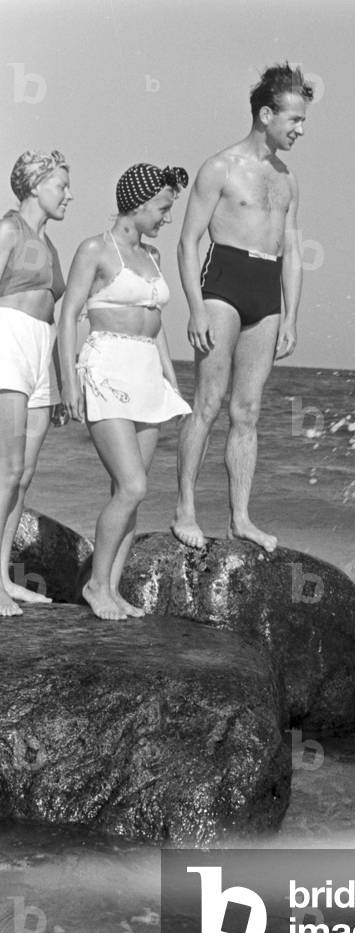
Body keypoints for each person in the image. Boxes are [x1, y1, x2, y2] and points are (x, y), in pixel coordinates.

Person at [172, 62, 314, 553]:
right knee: (208, 402)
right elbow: (188, 242)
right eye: (293, 120)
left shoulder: (287, 178)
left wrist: (291, 316)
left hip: (266, 288)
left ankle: (240, 518)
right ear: (266, 113)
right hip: (223, 285)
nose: (300, 129)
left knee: (247, 410)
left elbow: (293, 252)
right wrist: (194, 306)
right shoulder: (220, 167)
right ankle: (185, 510)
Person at [59, 163, 191, 621]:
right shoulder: (95, 249)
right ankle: (96, 585)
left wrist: (170, 376)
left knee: (129, 488)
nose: (166, 217)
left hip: (147, 374)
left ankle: (112, 589)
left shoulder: (152, 254)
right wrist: (67, 380)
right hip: (106, 370)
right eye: (162, 207)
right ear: (138, 203)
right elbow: (69, 315)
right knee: (134, 486)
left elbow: (156, 326)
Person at [0, 150, 72, 617]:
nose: (69, 193)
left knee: (23, 476)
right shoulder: (8, 230)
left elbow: (58, 314)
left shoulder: (51, 247)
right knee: (5, 470)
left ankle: (4, 577)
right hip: (7, 339)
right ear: (33, 185)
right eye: (61, 185)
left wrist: (63, 382)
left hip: (40, 352)